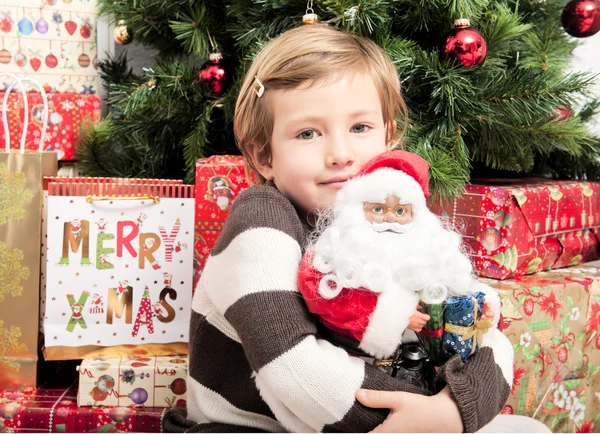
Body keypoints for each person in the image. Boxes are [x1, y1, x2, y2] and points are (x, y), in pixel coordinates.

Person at [163, 24, 550, 433]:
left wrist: (453, 411)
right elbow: (293, 367)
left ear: (389, 135)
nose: (340, 154)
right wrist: (411, 420)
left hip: (366, 419)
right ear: (265, 156)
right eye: (308, 133)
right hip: (263, 427)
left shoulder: (389, 218)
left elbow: (485, 335)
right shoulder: (261, 220)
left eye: (360, 128)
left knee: (526, 430)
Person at [297, 150, 496, 362]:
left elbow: (440, 296)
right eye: (379, 208)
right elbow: (319, 296)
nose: (390, 217)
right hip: (351, 357)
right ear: (358, 211)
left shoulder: (425, 251)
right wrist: (397, 316)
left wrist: (473, 310)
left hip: (415, 361)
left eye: (401, 211)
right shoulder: (334, 252)